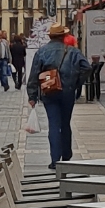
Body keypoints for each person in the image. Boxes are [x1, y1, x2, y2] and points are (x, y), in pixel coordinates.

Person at [28, 22, 88, 166]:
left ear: (51, 36)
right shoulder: (73, 51)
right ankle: (66, 155)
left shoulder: (41, 51)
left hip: (49, 91)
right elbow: (87, 67)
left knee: (53, 124)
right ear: (63, 36)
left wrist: (32, 96)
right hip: (67, 92)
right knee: (65, 123)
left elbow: (34, 74)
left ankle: (55, 160)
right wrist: (76, 83)